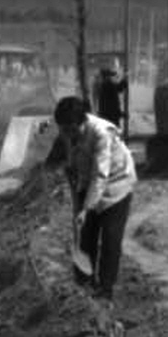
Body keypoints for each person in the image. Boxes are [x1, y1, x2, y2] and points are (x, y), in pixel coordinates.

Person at [50, 94, 136, 301]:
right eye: (63, 130)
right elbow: (64, 162)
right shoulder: (68, 133)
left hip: (116, 185)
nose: (68, 134)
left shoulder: (101, 133)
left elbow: (100, 175)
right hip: (88, 183)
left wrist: (86, 210)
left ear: (82, 121)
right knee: (85, 238)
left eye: (71, 130)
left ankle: (106, 291)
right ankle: (84, 287)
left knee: (110, 239)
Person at [93, 60, 127, 128]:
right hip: (111, 117)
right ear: (106, 76)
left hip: (106, 116)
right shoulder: (108, 85)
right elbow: (119, 89)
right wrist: (125, 78)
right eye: (110, 75)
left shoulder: (103, 85)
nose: (111, 77)